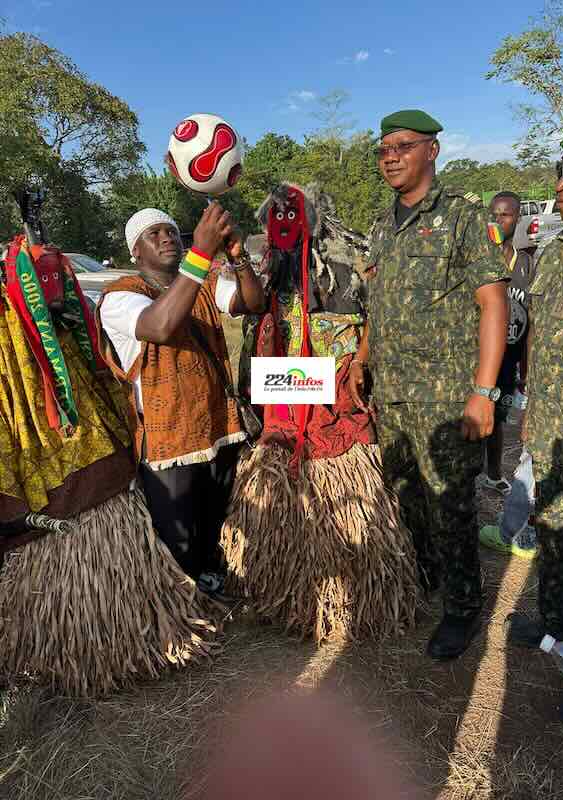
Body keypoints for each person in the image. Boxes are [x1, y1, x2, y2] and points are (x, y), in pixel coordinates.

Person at [0, 232, 222, 696]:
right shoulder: (116, 298)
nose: (56, 285)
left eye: (58, 274)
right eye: (44, 277)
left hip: (118, 468)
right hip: (64, 482)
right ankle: (75, 652)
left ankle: (156, 621)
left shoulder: (76, 325)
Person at [220, 183, 419, 644]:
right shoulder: (265, 262)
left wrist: (355, 363)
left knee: (336, 481)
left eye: (295, 214)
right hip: (284, 402)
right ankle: (287, 596)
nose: (285, 221)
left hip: (333, 404)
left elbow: (377, 315)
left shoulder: (346, 260)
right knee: (284, 478)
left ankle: (351, 602)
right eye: (278, 216)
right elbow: (246, 310)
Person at [350, 109, 509, 660]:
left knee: (452, 505)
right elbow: (377, 302)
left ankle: (462, 608)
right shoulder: (381, 225)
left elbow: (493, 303)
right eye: (384, 148)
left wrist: (483, 393)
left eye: (403, 145)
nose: (390, 156)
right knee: (406, 497)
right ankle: (429, 578)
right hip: (392, 391)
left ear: (433, 151)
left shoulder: (465, 219)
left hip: (444, 395)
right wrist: (361, 359)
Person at [97, 204, 265, 591]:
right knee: (179, 538)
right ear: (135, 251)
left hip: (218, 428)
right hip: (169, 444)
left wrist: (237, 256)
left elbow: (251, 303)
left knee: (214, 521)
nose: (166, 238)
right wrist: (201, 254)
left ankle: (213, 583)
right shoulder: (120, 297)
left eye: (170, 231)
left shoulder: (202, 285)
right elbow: (161, 325)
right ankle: (184, 607)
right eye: (153, 235)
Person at [507, 122, 563, 729]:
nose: (559, 182)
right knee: (557, 535)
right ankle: (560, 625)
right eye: (559, 169)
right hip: (552, 428)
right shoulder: (554, 250)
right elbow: (538, 334)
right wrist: (529, 404)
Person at [478, 192, 538, 559]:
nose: (500, 221)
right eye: (495, 214)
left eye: (506, 215)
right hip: (489, 355)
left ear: (517, 219)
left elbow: (531, 321)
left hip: (516, 352)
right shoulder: (482, 261)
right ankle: (490, 470)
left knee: (507, 413)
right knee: (490, 410)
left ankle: (498, 477)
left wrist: (528, 370)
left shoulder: (528, 265)